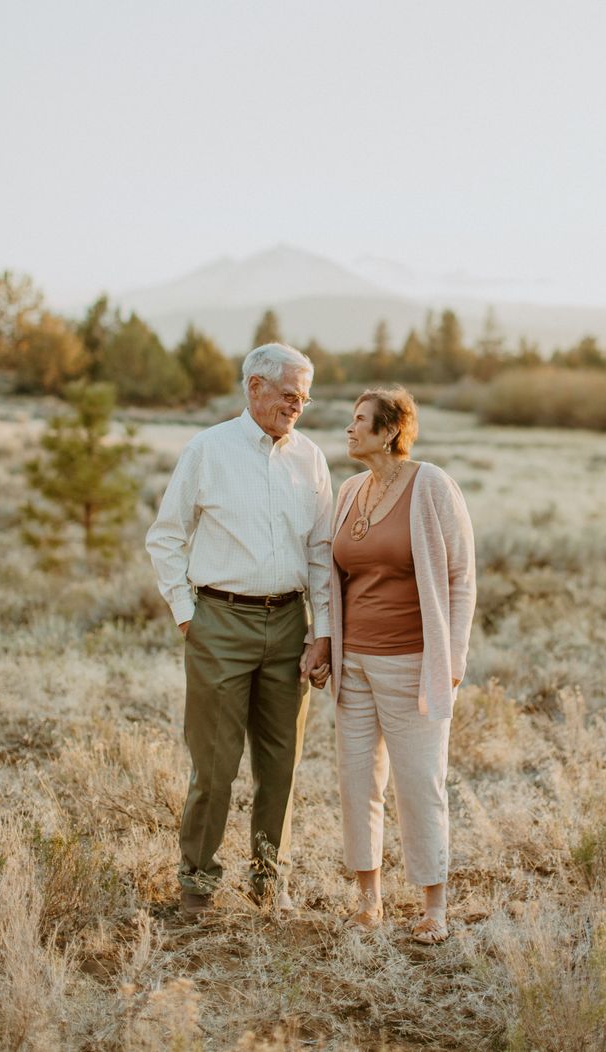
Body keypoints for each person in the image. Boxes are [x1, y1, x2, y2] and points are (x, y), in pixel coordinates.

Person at [146, 343, 332, 921]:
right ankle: (197, 888)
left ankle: (267, 883)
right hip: (219, 622)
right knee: (216, 765)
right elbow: (166, 536)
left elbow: (322, 553)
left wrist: (321, 631)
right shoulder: (208, 450)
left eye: (304, 395)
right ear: (254, 388)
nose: (297, 405)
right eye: (287, 394)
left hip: (290, 624)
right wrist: (186, 614)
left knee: (281, 765)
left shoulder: (311, 458)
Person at [329, 387, 476, 943]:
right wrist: (325, 642)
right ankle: (369, 899)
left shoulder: (430, 485)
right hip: (354, 666)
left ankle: (433, 906)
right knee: (357, 781)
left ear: (390, 430)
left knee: (419, 783)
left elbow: (462, 576)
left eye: (361, 421)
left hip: (414, 662)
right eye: (351, 420)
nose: (350, 429)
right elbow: (334, 575)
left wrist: (453, 658)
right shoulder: (348, 490)